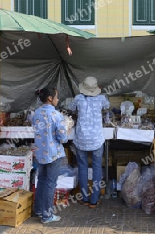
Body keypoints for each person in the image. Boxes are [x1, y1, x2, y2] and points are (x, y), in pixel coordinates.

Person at [68, 76, 110, 209]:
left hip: (81, 138)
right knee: (97, 167)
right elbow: (108, 106)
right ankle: (94, 200)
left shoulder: (78, 98)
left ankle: (85, 198)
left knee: (82, 167)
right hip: (97, 138)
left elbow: (70, 108)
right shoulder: (101, 99)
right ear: (96, 88)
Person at [32, 87, 68, 223]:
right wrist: (66, 129)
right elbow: (63, 138)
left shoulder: (35, 113)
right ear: (50, 98)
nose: (58, 100)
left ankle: (39, 210)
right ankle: (47, 215)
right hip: (54, 154)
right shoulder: (56, 115)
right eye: (56, 97)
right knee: (50, 183)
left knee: (41, 180)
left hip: (40, 153)